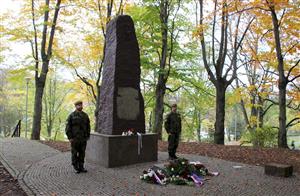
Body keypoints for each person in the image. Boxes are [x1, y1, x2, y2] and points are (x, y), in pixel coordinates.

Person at [65, 101, 91, 173]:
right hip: (75, 138)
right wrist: (70, 137)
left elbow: (88, 126)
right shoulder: (71, 116)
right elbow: (68, 127)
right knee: (74, 153)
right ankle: (76, 166)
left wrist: (88, 135)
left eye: (81, 105)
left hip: (83, 138)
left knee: (82, 153)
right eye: (78, 105)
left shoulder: (85, 115)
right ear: (75, 106)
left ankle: (81, 166)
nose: (80, 106)